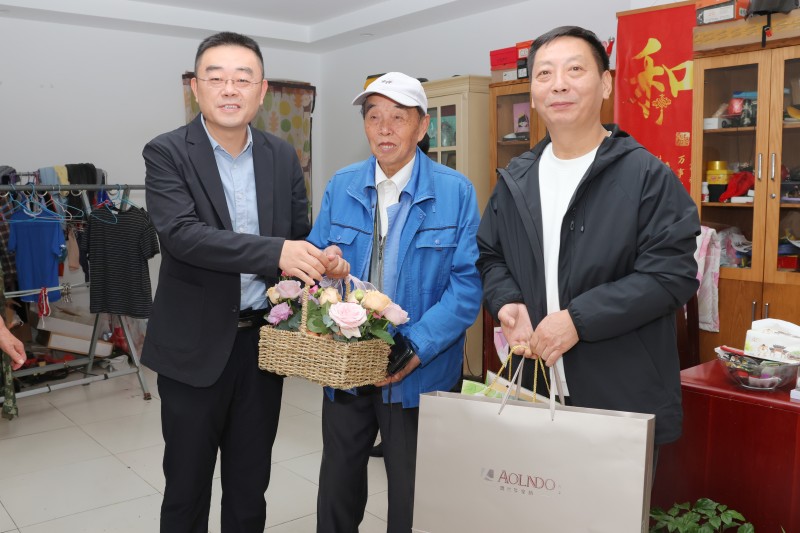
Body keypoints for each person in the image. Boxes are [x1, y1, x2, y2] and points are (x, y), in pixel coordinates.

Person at [142, 31, 344, 533]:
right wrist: (277, 251)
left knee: (250, 487)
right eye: (216, 78)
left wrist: (320, 258)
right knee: (186, 489)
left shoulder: (281, 155)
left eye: (242, 78)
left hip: (262, 347)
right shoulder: (167, 152)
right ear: (195, 88)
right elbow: (183, 236)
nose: (229, 89)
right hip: (192, 349)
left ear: (262, 90)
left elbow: (297, 234)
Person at [477, 26, 700, 454]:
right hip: (533, 388)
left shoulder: (646, 176)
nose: (558, 84)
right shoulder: (516, 179)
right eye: (544, 74)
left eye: (575, 70)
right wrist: (506, 301)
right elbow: (491, 255)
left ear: (605, 84)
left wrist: (579, 320)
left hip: (619, 394)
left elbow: (671, 274)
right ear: (533, 94)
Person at [307, 72, 482, 533]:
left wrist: (416, 345)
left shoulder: (456, 191)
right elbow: (315, 264)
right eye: (374, 117)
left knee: (413, 494)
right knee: (338, 486)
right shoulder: (342, 185)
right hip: (349, 367)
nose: (384, 129)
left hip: (420, 370)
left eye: (398, 117)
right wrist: (325, 269)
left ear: (422, 126)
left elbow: (467, 286)